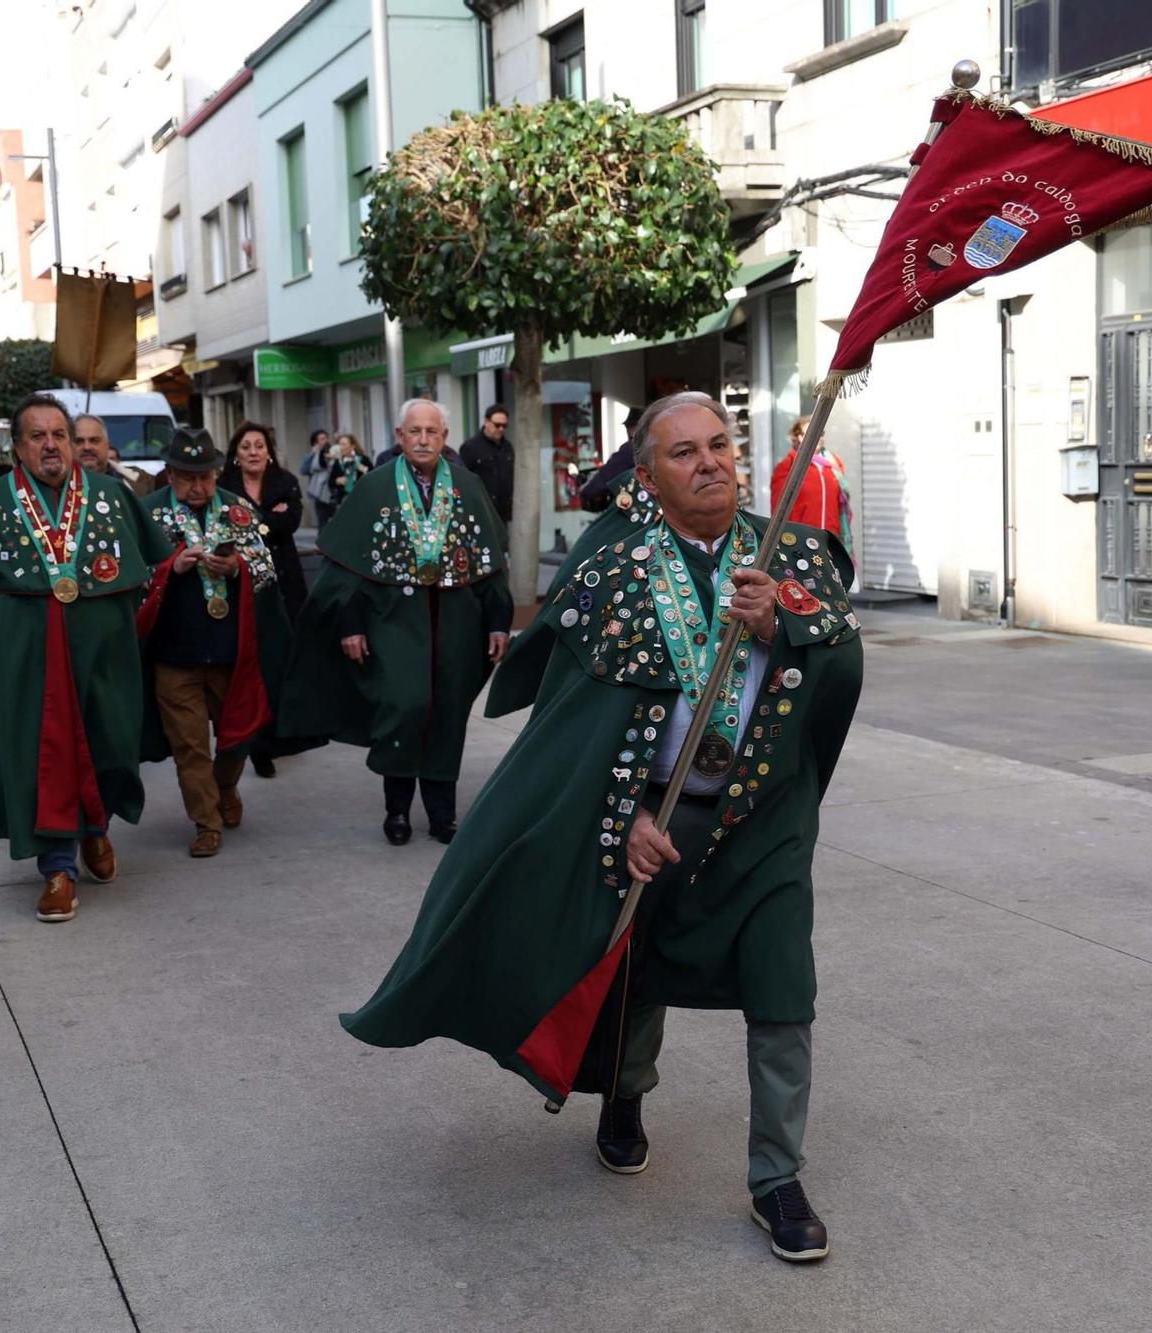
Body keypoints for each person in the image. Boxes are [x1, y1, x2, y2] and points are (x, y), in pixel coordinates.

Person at [340, 391, 862, 1264]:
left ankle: (777, 1176)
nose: (712, 463)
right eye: (686, 453)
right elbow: (573, 728)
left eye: (721, 445)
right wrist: (622, 820)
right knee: (640, 975)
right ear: (649, 479)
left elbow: (841, 667)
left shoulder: (795, 552)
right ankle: (624, 1094)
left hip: (763, 821)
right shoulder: (613, 570)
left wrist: (790, 622)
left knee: (783, 993)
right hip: (657, 816)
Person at [0, 394, 175, 923]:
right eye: (38, 436)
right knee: (42, 754)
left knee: (106, 744)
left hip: (103, 654)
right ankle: (58, 868)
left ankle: (96, 827)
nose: (51, 445)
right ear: (17, 446)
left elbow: (147, 570)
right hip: (29, 659)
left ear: (73, 443)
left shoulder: (112, 496)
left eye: (59, 435)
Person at [280, 399, 511, 843]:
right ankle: (398, 811)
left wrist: (499, 623)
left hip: (456, 624)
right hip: (392, 622)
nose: (423, 439)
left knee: (447, 714)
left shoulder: (467, 486)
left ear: (444, 437)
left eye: (432, 431)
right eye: (414, 431)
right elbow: (347, 571)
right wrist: (351, 625)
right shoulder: (375, 486)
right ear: (400, 437)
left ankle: (442, 815)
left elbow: (491, 566)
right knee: (403, 709)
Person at [134, 427, 292, 856]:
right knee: (189, 746)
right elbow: (130, 580)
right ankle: (207, 823)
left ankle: (225, 789)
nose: (199, 486)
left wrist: (237, 567)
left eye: (206, 476)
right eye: (188, 477)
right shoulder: (148, 513)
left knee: (236, 736)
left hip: (230, 654)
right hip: (175, 654)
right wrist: (169, 569)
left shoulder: (239, 510)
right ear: (170, 474)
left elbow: (266, 572)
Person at [221, 421, 308, 780]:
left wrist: (254, 521)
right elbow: (228, 528)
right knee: (248, 664)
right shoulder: (223, 487)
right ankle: (255, 744)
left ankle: (277, 737)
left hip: (284, 583)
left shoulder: (286, 481)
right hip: (240, 585)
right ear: (236, 455)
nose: (253, 452)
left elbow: (292, 522)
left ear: (269, 451)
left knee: (281, 662)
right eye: (246, 447)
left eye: (259, 445)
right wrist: (269, 518)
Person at [769, 418, 853, 552]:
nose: (817, 437)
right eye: (811, 432)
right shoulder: (788, 466)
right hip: (802, 542)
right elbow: (778, 511)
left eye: (820, 432)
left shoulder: (834, 463)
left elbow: (841, 506)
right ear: (797, 437)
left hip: (831, 541)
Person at [578, 404, 646, 511]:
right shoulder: (656, 446)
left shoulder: (632, 448)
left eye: (628, 428)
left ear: (633, 428)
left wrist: (584, 492)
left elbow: (605, 477)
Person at [458, 404, 514, 527]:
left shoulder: (507, 447)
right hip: (480, 513)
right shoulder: (471, 447)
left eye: (504, 426)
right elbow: (461, 480)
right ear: (486, 422)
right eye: (497, 425)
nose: (501, 429)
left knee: (502, 545)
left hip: (501, 514)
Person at [298, 428, 336, 526]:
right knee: (322, 522)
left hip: (334, 493)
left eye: (326, 438)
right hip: (319, 494)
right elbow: (303, 470)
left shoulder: (333, 452)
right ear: (316, 443)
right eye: (322, 439)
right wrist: (312, 454)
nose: (326, 441)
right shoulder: (312, 456)